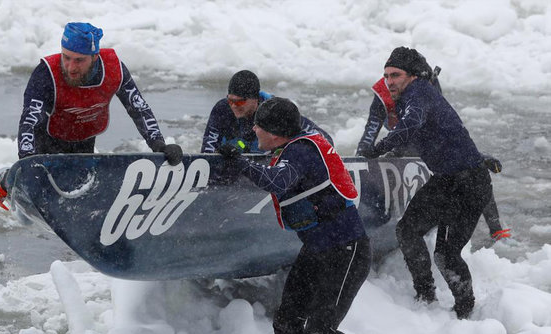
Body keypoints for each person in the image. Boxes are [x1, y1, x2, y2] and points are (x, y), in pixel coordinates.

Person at [219, 98, 373, 334]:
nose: (253, 129)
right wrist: (233, 149)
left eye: (258, 126)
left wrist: (239, 161)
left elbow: (278, 181)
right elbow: (261, 155)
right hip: (317, 250)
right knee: (286, 324)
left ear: (276, 133)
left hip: (347, 252)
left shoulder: (301, 151)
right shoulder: (285, 147)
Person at [0, 22, 183, 222]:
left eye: (79, 60)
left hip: (83, 138)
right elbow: (30, 120)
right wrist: (27, 162)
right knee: (39, 200)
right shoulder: (47, 73)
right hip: (48, 137)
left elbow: (138, 107)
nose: (71, 67)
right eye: (67, 57)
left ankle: (30, 203)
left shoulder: (114, 69)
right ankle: (5, 181)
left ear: (94, 57)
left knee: (75, 197)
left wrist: (159, 144)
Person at [358, 46, 494, 319]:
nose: (389, 81)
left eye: (395, 75)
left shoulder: (419, 93)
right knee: (407, 230)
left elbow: (410, 125)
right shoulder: (411, 95)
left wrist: (379, 148)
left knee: (445, 255)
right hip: (445, 181)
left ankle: (465, 313)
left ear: (413, 76)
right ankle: (425, 294)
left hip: (469, 186)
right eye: (386, 75)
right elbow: (448, 133)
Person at [355, 52, 511, 245]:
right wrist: (361, 157)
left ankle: (496, 229)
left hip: (425, 141)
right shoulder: (386, 90)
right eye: (388, 76)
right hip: (399, 140)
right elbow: (371, 128)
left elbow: (444, 133)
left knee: (471, 170)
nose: (390, 81)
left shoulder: (425, 86)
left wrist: (477, 156)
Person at [201, 70, 333, 154]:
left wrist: (293, 156)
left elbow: (325, 140)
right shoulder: (222, 109)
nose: (234, 106)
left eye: (240, 102)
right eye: (230, 100)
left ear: (255, 99)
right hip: (238, 164)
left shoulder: (276, 110)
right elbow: (206, 155)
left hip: (272, 168)